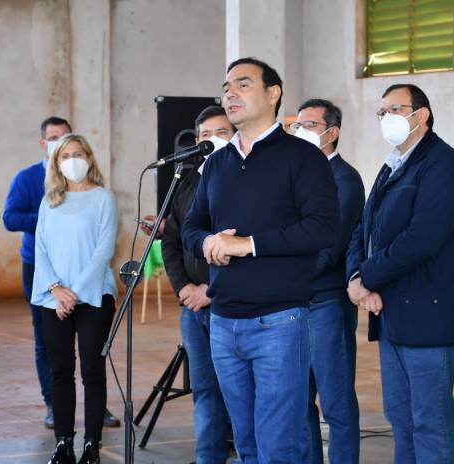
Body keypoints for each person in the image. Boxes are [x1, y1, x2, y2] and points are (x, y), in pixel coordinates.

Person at [182, 57, 339, 463]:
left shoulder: (302, 157)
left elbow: (322, 228)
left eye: (243, 84)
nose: (230, 93)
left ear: (273, 94)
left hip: (279, 323)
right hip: (223, 322)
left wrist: (248, 244)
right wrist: (208, 242)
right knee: (247, 445)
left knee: (278, 447)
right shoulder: (216, 163)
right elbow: (191, 227)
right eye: (226, 87)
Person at [346, 83, 454, 463]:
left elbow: (422, 239)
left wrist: (368, 277)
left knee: (429, 424)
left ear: (421, 115)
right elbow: (363, 228)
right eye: (382, 112)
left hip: (431, 320)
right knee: (401, 420)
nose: (386, 118)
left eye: (395, 109)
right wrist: (356, 278)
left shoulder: (444, 165)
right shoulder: (394, 164)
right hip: (394, 317)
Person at [32, 134, 119, 464]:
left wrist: (75, 293)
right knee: (61, 370)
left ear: (89, 158)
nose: (72, 160)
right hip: (52, 298)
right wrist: (56, 289)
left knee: (92, 370)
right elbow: (41, 249)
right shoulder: (50, 201)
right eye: (65, 155)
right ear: (56, 163)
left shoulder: (104, 198)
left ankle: (92, 444)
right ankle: (63, 443)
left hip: (94, 297)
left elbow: (104, 251)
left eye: (78, 154)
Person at [160, 105, 236, 463]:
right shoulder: (186, 182)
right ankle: (208, 457)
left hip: (228, 306)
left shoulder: (245, 181)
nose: (213, 140)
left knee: (237, 390)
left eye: (221, 133)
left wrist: (211, 291)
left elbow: (243, 245)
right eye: (206, 135)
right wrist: (184, 288)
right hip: (192, 308)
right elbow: (171, 242)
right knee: (204, 389)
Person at [291, 99, 364, 464]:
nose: (299, 131)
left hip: (326, 303)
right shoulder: (296, 175)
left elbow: (330, 247)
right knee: (298, 400)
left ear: (332, 132)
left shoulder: (345, 180)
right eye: (296, 125)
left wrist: (286, 274)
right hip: (293, 303)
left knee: (336, 401)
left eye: (309, 125)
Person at [3, 116, 71, 429]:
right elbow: (10, 218)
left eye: (65, 137)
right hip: (39, 267)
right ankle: (53, 404)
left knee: (86, 338)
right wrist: (47, 219)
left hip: (76, 266)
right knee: (46, 338)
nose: (59, 143)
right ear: (43, 143)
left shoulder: (81, 178)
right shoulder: (27, 178)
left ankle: (93, 405)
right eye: (54, 138)